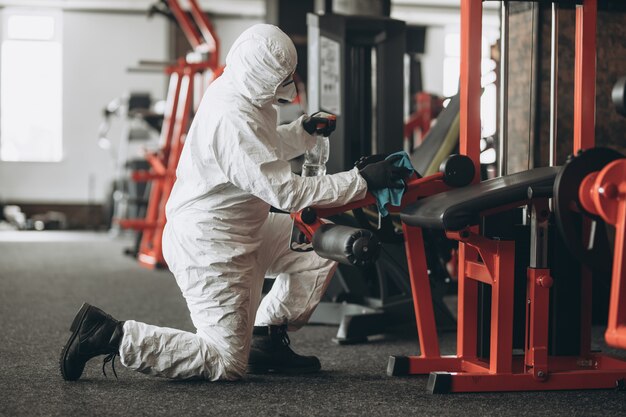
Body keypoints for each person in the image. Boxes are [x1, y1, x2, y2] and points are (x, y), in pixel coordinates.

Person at [60, 24, 410, 381]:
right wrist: (361, 181)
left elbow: (264, 146)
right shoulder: (232, 118)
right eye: (282, 81)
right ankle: (111, 336)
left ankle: (266, 338)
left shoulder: (242, 89)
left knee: (320, 247)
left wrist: (303, 132)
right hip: (210, 245)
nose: (289, 87)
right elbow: (286, 193)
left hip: (246, 224)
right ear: (261, 78)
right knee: (225, 363)